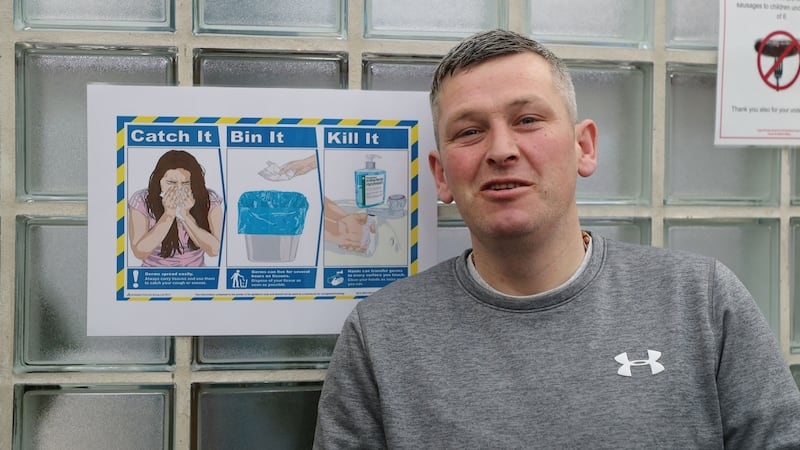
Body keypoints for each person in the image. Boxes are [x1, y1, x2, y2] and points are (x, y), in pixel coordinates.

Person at [313, 29, 800, 448]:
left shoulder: (702, 302)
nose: (502, 150)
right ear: (441, 176)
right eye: (469, 131)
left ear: (583, 146)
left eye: (527, 120)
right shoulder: (380, 336)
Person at [128, 149, 223, 267]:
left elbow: (215, 250)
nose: (178, 189)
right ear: (159, 181)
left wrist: (186, 216)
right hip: (153, 277)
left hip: (196, 276)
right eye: (171, 182)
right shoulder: (141, 200)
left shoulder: (209, 200)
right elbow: (139, 252)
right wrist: (168, 215)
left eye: (186, 183)